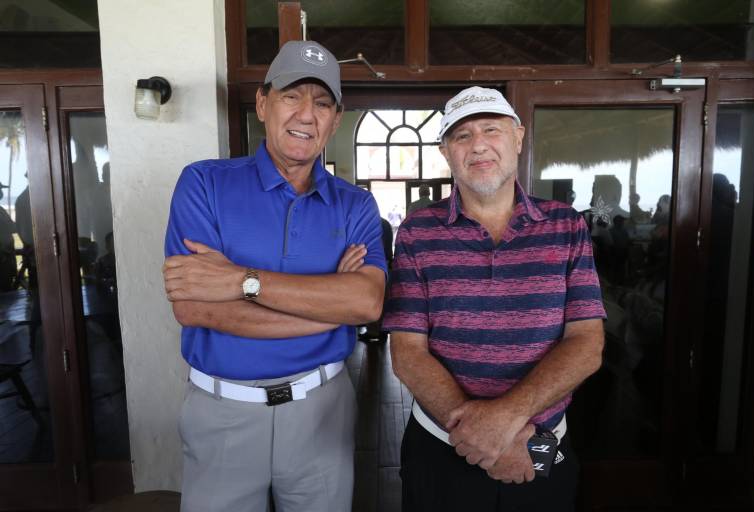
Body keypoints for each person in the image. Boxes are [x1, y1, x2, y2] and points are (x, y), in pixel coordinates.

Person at [162, 40, 387, 512]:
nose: (307, 115)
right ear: (263, 103)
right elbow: (195, 307)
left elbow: (366, 303)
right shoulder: (203, 183)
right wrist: (331, 310)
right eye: (292, 96)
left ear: (336, 119)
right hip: (222, 411)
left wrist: (242, 282)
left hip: (322, 407)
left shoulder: (356, 205)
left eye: (322, 103)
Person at [383, 86, 605, 511]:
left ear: (518, 137)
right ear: (446, 152)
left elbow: (587, 344)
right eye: (461, 136)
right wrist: (480, 433)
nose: (478, 144)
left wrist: (506, 421)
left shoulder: (566, 226)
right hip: (441, 447)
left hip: (538, 445)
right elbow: (407, 352)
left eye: (491, 129)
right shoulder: (417, 231)